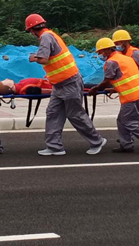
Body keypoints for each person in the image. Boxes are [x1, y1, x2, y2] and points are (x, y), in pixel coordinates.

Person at [25, 13, 107, 156]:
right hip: (59, 84)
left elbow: (43, 59)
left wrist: (33, 58)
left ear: (32, 30)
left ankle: (97, 141)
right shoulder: (50, 35)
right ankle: (54, 146)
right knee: (53, 112)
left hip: (69, 82)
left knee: (75, 114)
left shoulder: (46, 37)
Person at [89, 38, 139, 154]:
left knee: (129, 122)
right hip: (137, 93)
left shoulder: (111, 62)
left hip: (130, 96)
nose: (100, 55)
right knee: (121, 120)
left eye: (100, 52)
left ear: (106, 50)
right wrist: (116, 88)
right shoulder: (125, 58)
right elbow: (126, 77)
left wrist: (95, 89)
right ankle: (126, 144)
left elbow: (107, 81)